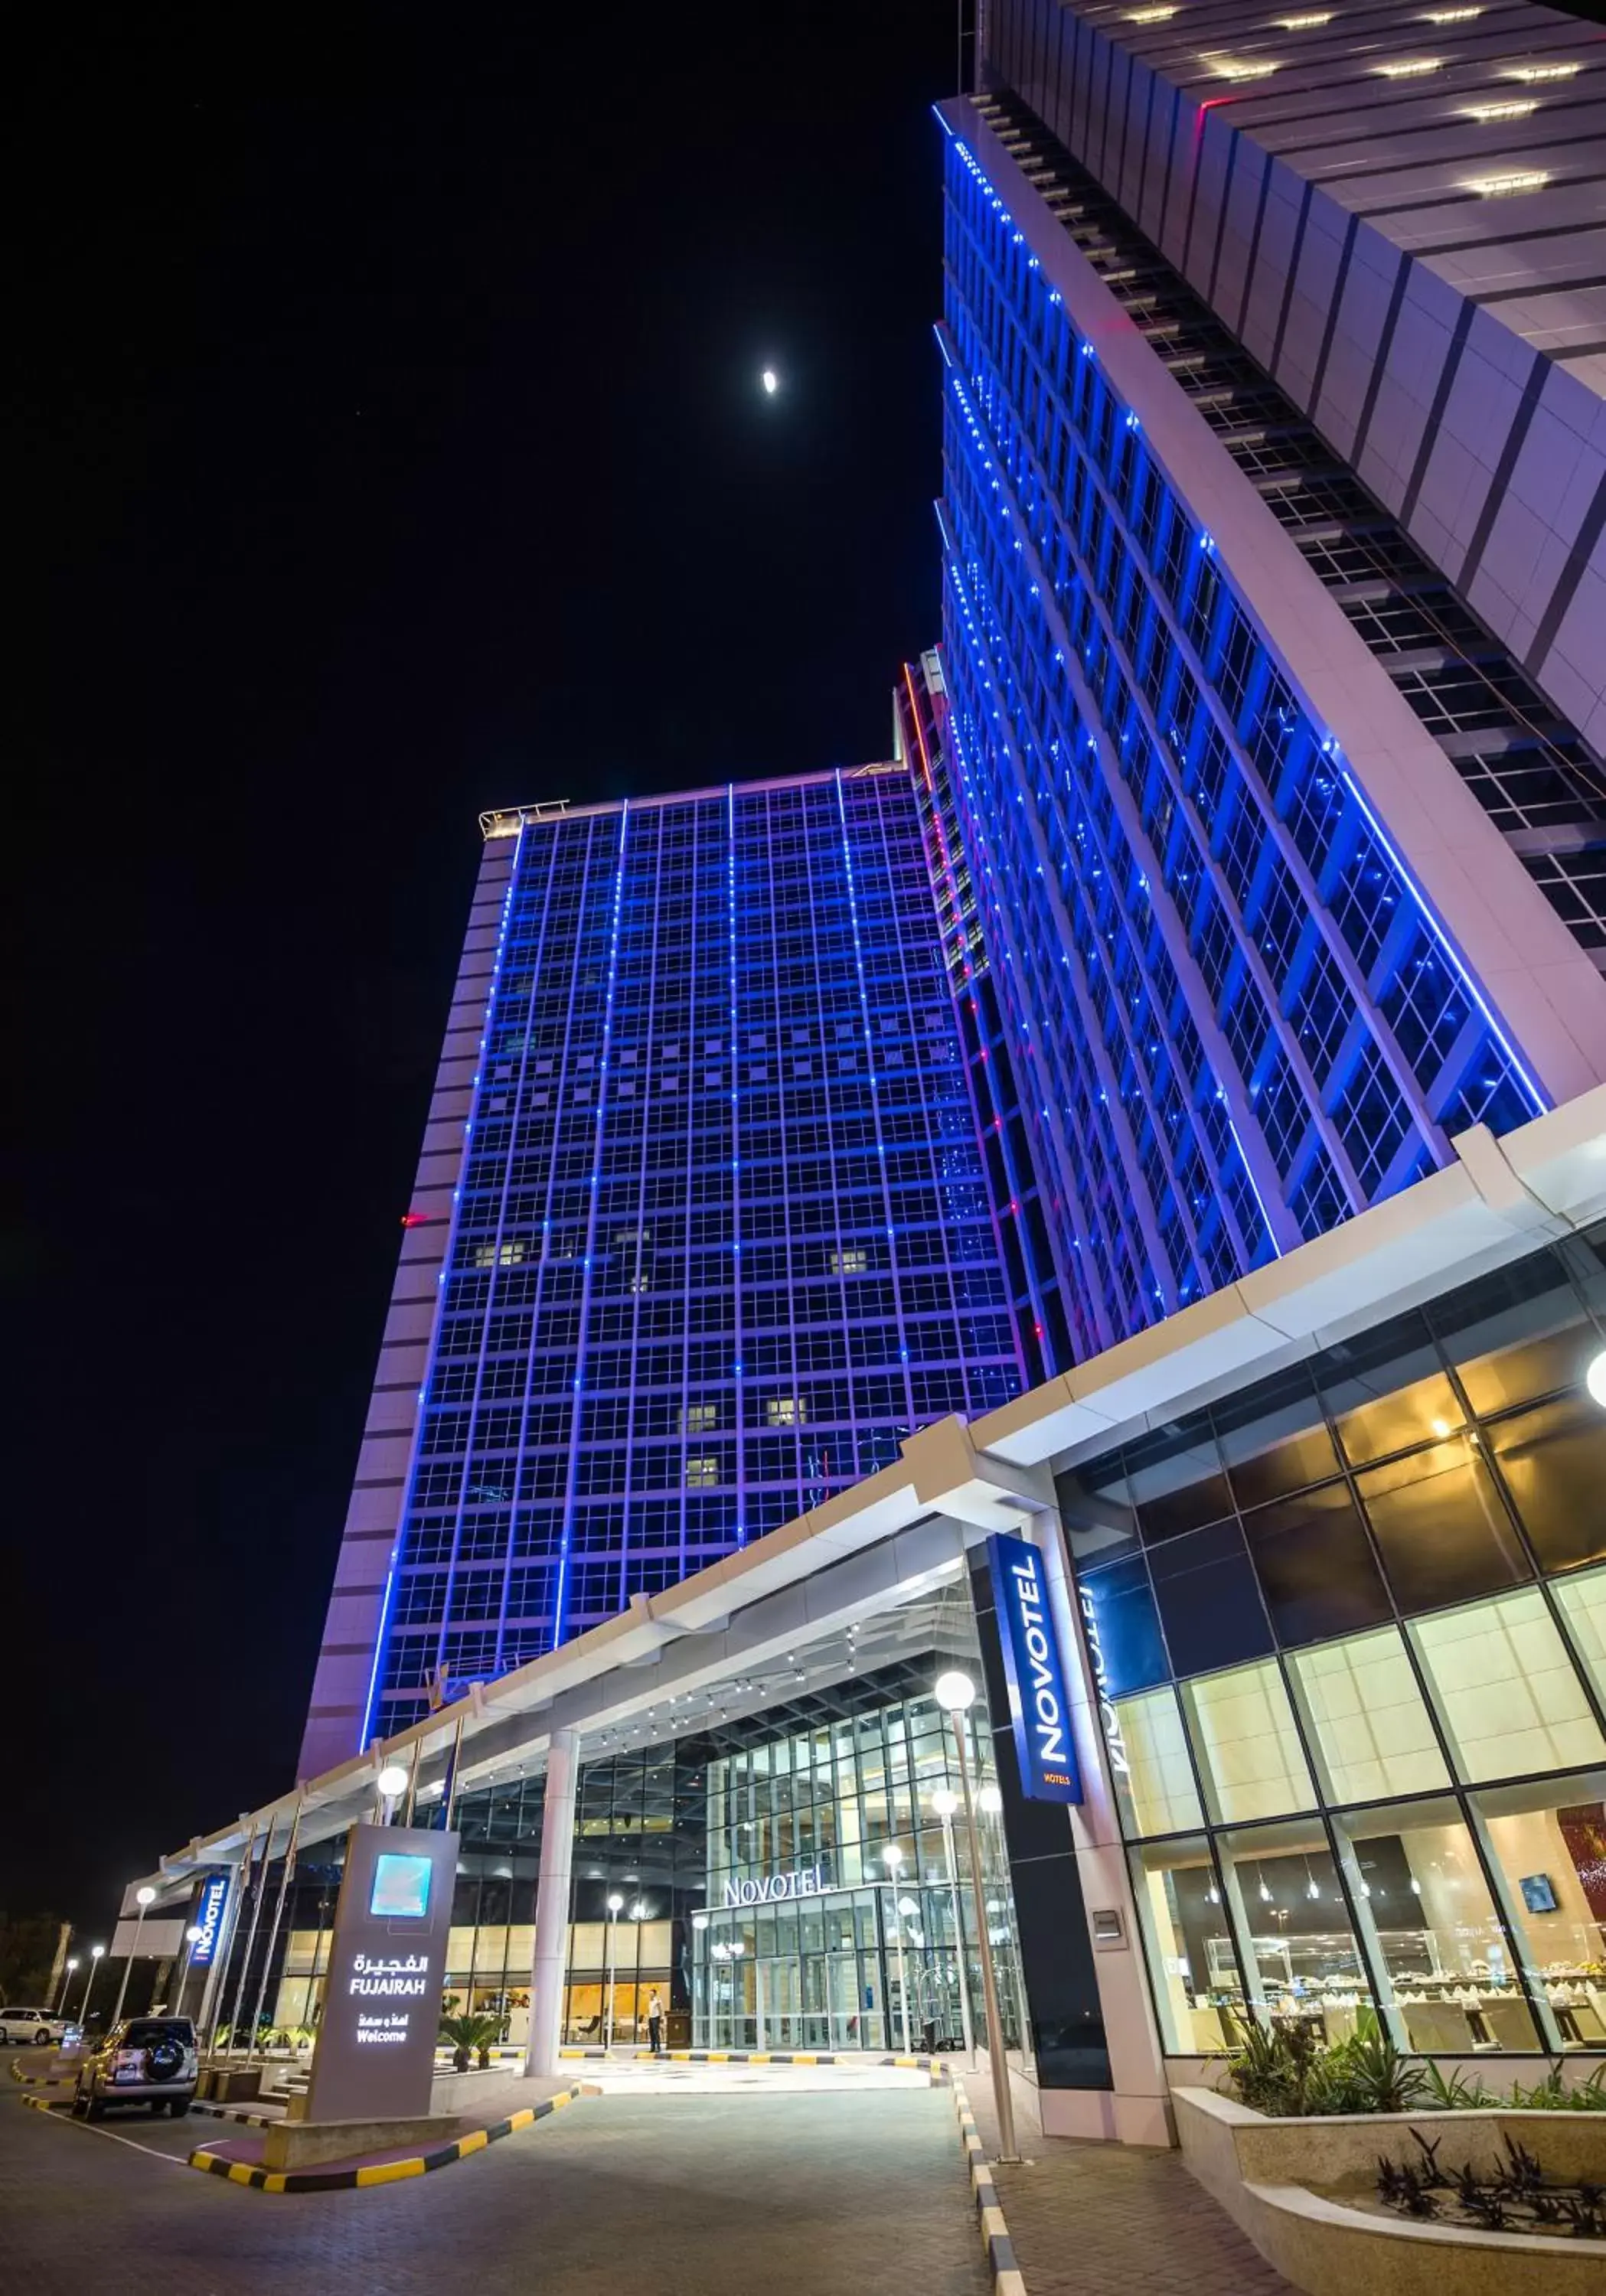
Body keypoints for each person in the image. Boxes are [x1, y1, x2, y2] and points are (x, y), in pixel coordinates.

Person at [647, 1988, 664, 2057]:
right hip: (650, 2018)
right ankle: (652, 2048)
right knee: (651, 2033)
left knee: (656, 2033)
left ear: (655, 1994)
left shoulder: (657, 2000)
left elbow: (661, 2009)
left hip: (656, 2018)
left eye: (651, 1993)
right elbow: (649, 2011)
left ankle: (658, 2047)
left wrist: (662, 2017)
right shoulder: (650, 2002)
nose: (650, 1994)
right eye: (649, 1993)